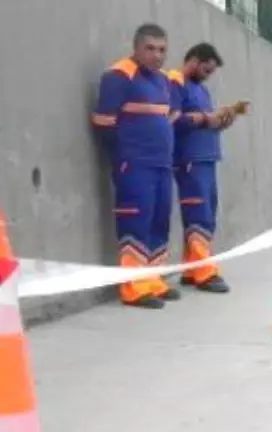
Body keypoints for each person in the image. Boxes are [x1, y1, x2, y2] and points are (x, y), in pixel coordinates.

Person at [91, 23, 179, 309]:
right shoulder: (118, 75)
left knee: (159, 220)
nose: (157, 55)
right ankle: (133, 286)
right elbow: (104, 123)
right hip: (134, 164)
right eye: (150, 49)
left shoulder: (164, 80)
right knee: (135, 220)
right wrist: (124, 156)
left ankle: (153, 279)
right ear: (136, 48)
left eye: (162, 50)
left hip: (162, 164)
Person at [168, 42, 247, 294]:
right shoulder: (175, 83)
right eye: (206, 70)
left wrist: (223, 120)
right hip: (189, 159)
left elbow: (204, 122)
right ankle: (204, 272)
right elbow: (172, 119)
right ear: (193, 61)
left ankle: (192, 268)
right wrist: (204, 118)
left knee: (207, 212)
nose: (208, 76)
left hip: (207, 158)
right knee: (198, 211)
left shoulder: (201, 91)